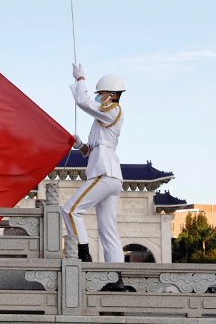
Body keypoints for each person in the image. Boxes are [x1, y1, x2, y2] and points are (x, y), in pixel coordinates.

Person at [62, 63, 128, 291]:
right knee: (108, 230)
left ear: (112, 94)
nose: (99, 97)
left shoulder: (113, 110)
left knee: (70, 210)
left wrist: (80, 79)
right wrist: (81, 145)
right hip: (109, 174)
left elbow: (83, 101)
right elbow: (93, 149)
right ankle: (116, 279)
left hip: (105, 172)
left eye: (102, 93)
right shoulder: (104, 116)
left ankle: (84, 258)